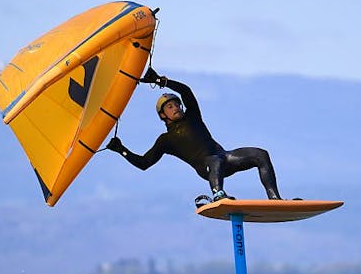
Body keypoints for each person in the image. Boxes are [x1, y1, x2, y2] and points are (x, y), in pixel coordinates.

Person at [106, 68, 283, 205]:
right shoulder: (166, 140)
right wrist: (121, 150)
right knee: (215, 160)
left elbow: (186, 91)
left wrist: (161, 81)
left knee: (260, 154)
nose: (175, 107)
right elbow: (144, 163)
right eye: (170, 107)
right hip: (206, 166)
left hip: (225, 158)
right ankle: (218, 195)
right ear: (162, 115)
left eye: (177, 104)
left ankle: (274, 198)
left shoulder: (193, 116)